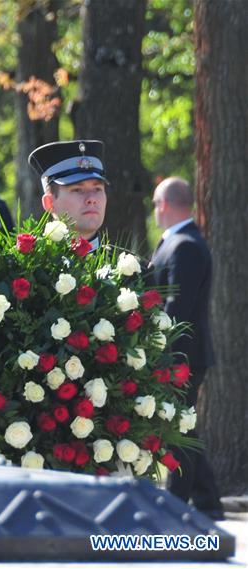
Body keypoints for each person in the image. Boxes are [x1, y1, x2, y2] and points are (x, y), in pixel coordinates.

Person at [150, 177, 223, 520]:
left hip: (182, 356)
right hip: (178, 354)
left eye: (155, 204)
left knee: (176, 429)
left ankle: (175, 504)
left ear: (164, 205)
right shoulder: (176, 241)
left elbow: (177, 307)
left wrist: (159, 353)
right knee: (183, 426)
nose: (154, 211)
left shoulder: (186, 246)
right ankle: (207, 499)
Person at [29, 139, 108, 250]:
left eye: (97, 189)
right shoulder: (28, 260)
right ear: (49, 203)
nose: (91, 199)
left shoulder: (125, 260)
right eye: (78, 190)